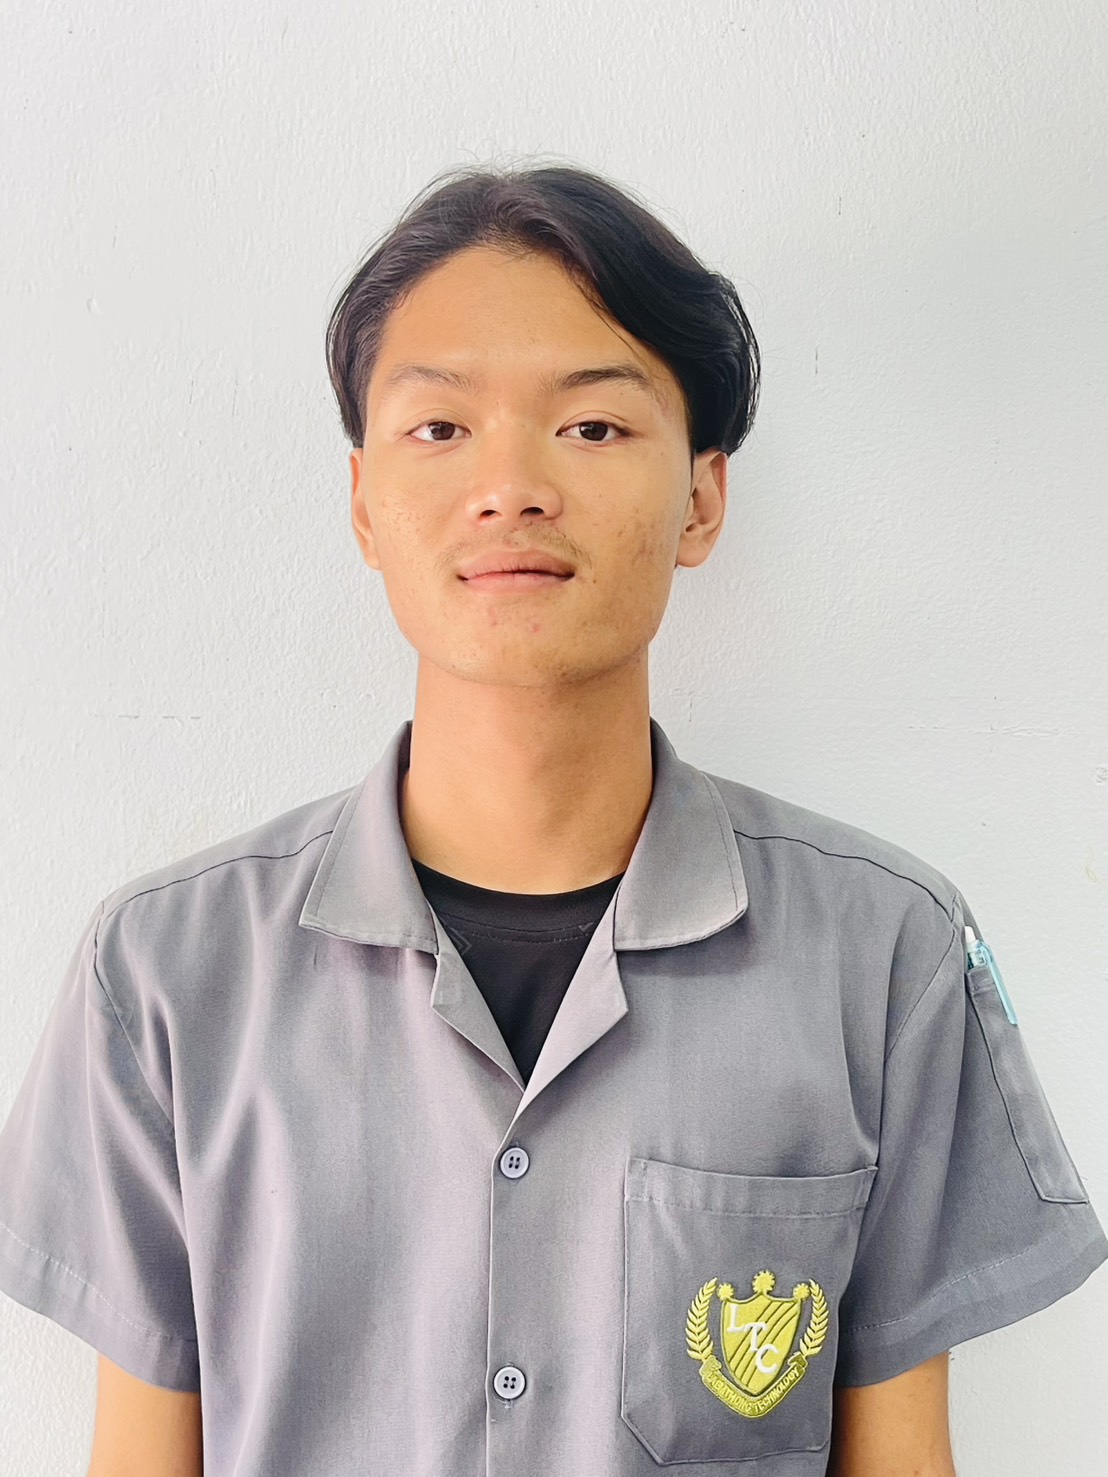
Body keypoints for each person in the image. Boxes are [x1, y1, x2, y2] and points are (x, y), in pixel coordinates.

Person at [0, 161, 1104, 1477]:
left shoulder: (882, 955)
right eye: (440, 427)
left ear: (702, 500)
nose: (512, 485)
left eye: (591, 426)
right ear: (363, 505)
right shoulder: (164, 977)